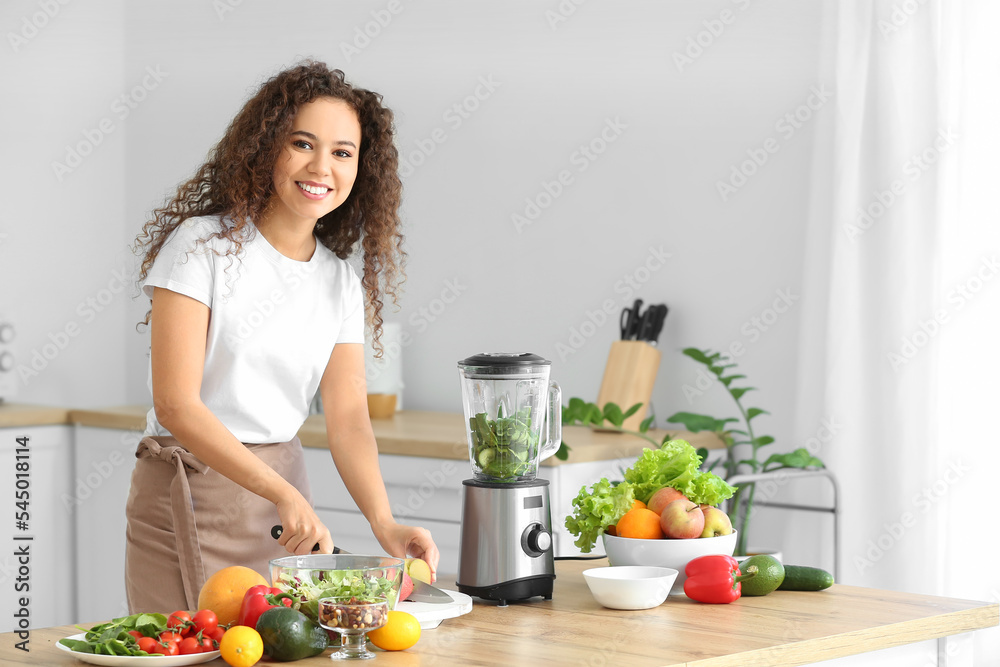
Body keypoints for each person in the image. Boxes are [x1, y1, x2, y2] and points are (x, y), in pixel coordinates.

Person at [126, 60, 439, 613]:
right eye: (302, 143)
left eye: (343, 152)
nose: (322, 166)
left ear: (360, 169)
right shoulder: (202, 247)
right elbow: (176, 403)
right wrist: (280, 491)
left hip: (281, 505)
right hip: (193, 485)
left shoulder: (339, 279)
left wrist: (384, 522)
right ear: (266, 146)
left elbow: (348, 420)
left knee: (279, 647)